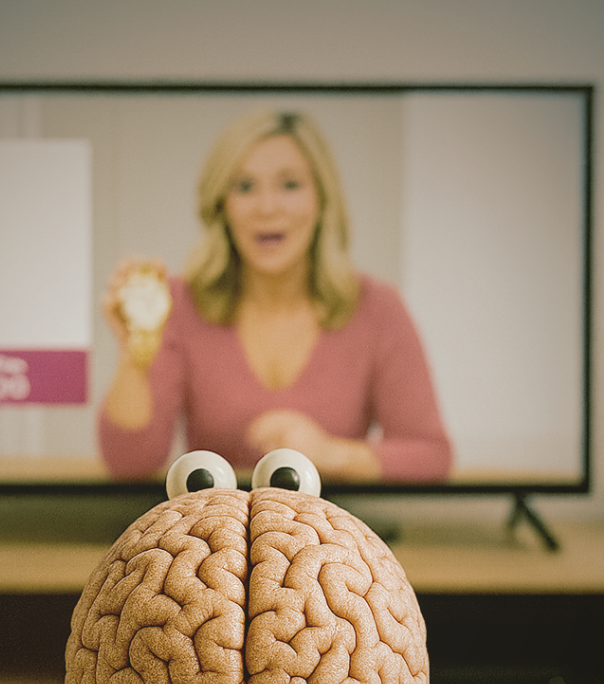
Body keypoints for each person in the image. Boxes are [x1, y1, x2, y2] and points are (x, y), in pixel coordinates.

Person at [98, 108, 453, 483]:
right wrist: (133, 355)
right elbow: (130, 462)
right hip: (216, 535)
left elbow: (431, 456)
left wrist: (329, 453)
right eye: (245, 187)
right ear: (222, 205)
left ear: (321, 199)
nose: (267, 207)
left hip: (330, 537)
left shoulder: (378, 308)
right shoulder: (179, 303)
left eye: (289, 185)